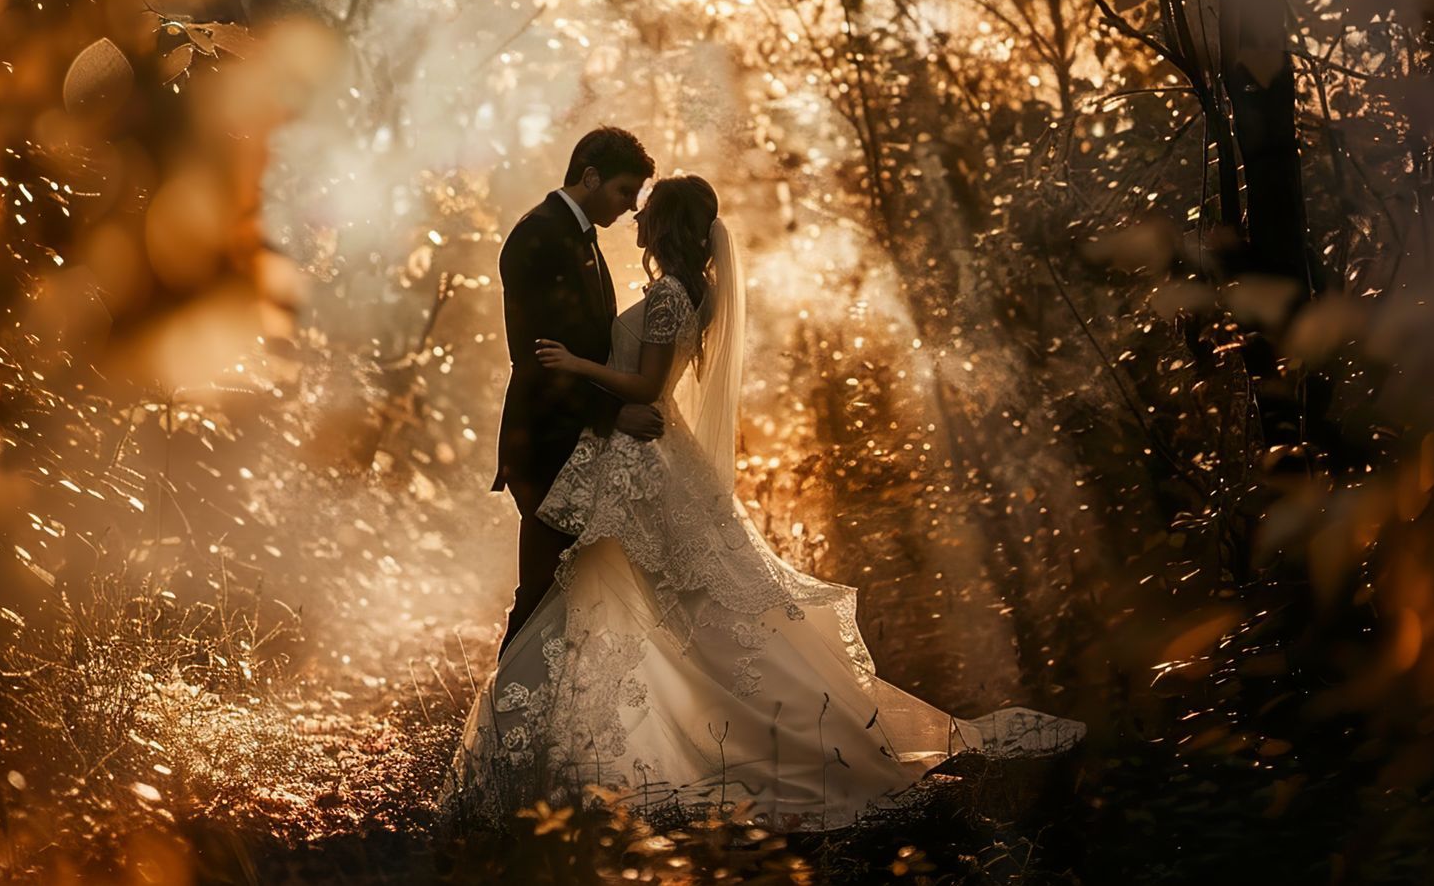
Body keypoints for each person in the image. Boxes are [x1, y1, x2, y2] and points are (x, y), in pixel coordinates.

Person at [451, 173, 1084, 829]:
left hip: (644, 463)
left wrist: (578, 368)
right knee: (627, 603)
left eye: (646, 211)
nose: (634, 218)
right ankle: (586, 751)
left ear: (661, 226)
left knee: (675, 612)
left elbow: (646, 384)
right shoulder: (684, 290)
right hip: (637, 460)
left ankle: (645, 750)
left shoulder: (670, 295)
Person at [492, 126, 666, 659]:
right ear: (589, 176)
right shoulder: (540, 235)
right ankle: (504, 727)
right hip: (545, 436)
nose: (630, 207)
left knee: (568, 595)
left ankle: (545, 721)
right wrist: (615, 414)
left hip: (574, 436)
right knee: (541, 592)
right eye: (623, 191)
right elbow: (539, 356)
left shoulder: (579, 235)